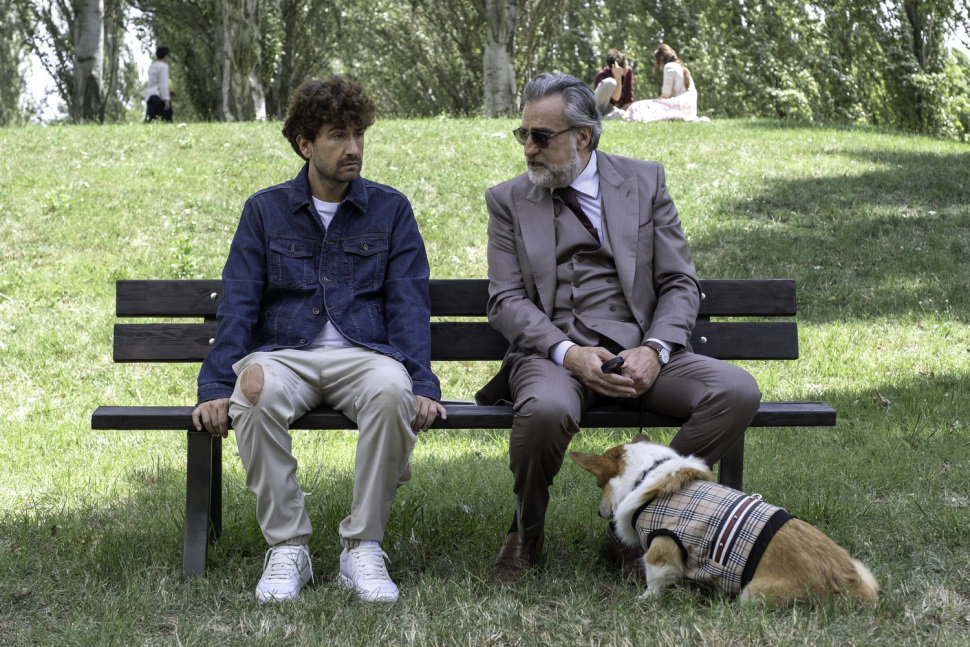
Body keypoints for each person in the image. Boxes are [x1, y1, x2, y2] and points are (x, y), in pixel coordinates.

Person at [477, 73, 760, 583]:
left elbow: (679, 282)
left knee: (735, 391)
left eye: (541, 136)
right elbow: (506, 300)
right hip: (553, 356)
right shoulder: (507, 200)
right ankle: (526, 531)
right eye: (523, 134)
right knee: (545, 411)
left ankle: (635, 518)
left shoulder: (644, 182)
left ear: (582, 136)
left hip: (639, 348)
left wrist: (654, 349)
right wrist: (568, 353)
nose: (528, 148)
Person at [192, 77, 447, 605]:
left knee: (393, 390)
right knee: (253, 388)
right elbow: (239, 303)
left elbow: (408, 304)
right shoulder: (265, 211)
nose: (353, 148)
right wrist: (216, 386)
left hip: (365, 356)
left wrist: (421, 383)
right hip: (285, 356)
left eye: (358, 134)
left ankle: (363, 547)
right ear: (305, 144)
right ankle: (288, 547)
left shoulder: (390, 210)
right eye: (338, 136)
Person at [624, 44, 707, 123]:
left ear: (661, 58)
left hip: (681, 105)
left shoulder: (669, 66)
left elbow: (665, 95)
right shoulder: (679, 66)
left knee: (638, 106)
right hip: (690, 109)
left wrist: (654, 101)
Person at [593, 49, 634, 119]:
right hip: (596, 109)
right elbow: (616, 97)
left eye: (626, 65)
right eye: (624, 67)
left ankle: (602, 119)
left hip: (609, 111)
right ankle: (592, 118)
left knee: (623, 115)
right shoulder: (601, 76)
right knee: (610, 82)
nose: (626, 69)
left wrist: (630, 116)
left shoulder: (628, 72)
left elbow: (628, 98)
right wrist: (618, 77)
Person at [142, 46, 175, 122]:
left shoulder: (152, 66)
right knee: (167, 119)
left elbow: (154, 83)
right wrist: (166, 99)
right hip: (158, 96)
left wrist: (168, 91)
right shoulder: (163, 66)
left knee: (150, 120)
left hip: (150, 96)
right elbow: (163, 83)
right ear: (165, 56)